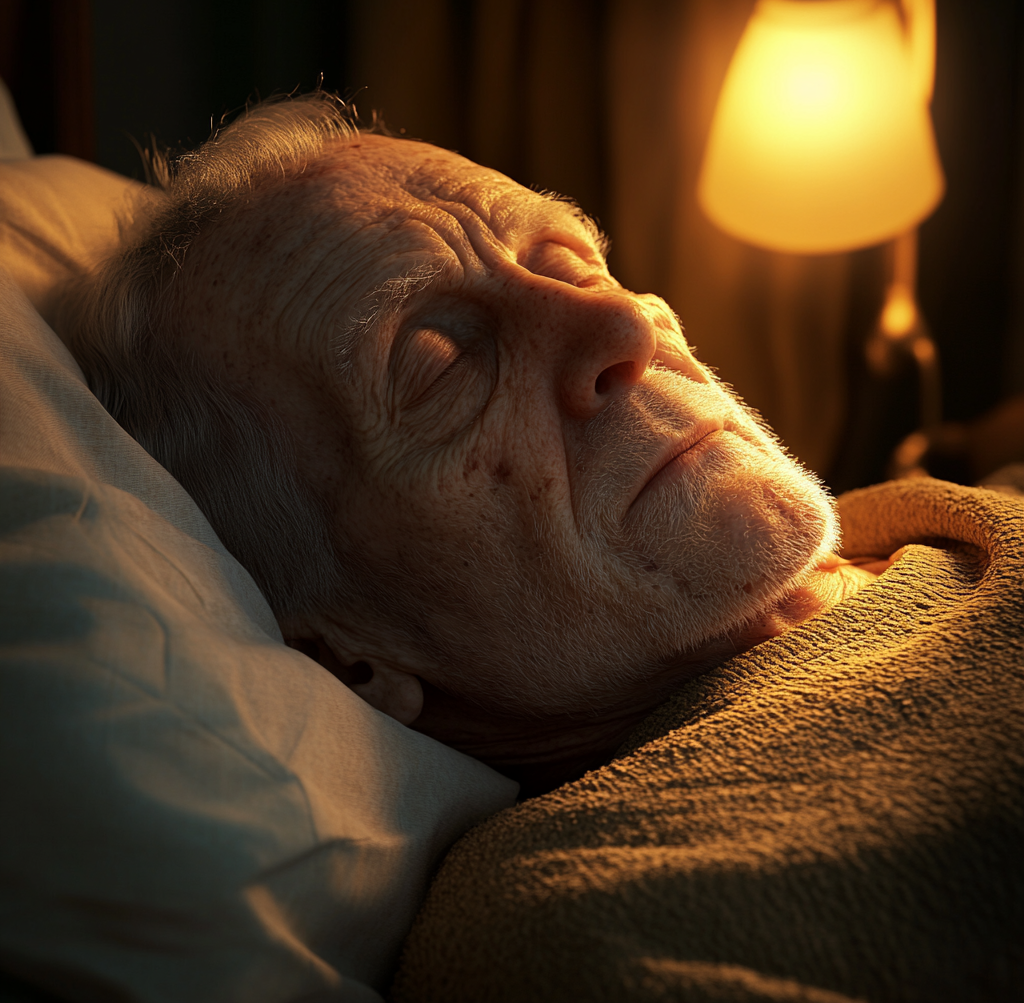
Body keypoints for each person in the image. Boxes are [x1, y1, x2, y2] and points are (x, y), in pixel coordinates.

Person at [61, 92, 890, 793]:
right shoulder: (623, 914)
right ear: (348, 653)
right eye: (442, 364)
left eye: (568, 263)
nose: (624, 321)